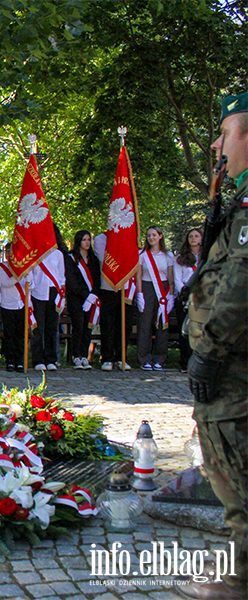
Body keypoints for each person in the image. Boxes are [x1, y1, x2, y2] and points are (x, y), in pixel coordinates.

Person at [179, 91, 248, 600]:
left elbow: (242, 284)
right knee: (227, 469)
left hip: (234, 368)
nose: (215, 145)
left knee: (238, 472)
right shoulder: (237, 202)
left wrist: (210, 348)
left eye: (225, 133)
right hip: (229, 365)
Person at [136, 226, 175, 371]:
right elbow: (138, 276)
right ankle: (144, 358)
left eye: (154, 235)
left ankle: (160, 358)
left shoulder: (168, 255)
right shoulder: (142, 254)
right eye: (149, 236)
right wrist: (140, 294)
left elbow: (170, 277)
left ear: (160, 236)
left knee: (161, 324)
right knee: (145, 324)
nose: (151, 238)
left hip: (163, 290)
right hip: (146, 287)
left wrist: (171, 296)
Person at [31, 225, 67, 371]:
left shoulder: (58, 254)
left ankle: (51, 359)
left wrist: (62, 295)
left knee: (52, 327)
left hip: (53, 292)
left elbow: (61, 275)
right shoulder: (34, 253)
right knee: (38, 328)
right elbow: (31, 274)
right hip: (37, 292)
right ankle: (38, 359)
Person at [93, 232, 130, 371]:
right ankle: (107, 357)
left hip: (126, 288)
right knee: (108, 323)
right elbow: (104, 259)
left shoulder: (129, 236)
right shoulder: (101, 239)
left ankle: (121, 357)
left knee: (124, 324)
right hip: (107, 286)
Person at [66, 230, 101, 370]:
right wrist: (84, 295)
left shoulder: (94, 259)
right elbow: (71, 281)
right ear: (78, 241)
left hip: (92, 299)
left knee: (88, 327)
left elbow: (97, 279)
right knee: (78, 326)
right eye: (84, 239)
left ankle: (85, 356)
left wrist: (92, 295)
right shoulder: (71, 258)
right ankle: (76, 356)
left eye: (88, 239)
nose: (87, 242)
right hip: (77, 298)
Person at [0, 243, 31, 373]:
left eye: (12, 251)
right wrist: (19, 275)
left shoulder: (24, 267)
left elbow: (29, 284)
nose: (10, 254)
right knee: (9, 334)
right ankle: (9, 361)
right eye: (8, 251)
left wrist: (27, 275)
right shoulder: (1, 267)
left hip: (21, 304)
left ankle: (20, 361)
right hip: (7, 305)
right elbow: (6, 283)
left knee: (20, 335)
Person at [174, 228, 202, 372]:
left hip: (203, 298)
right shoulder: (181, 257)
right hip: (185, 298)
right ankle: (185, 362)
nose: (193, 238)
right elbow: (177, 278)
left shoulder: (206, 257)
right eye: (191, 236)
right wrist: (185, 293)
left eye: (196, 236)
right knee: (185, 330)